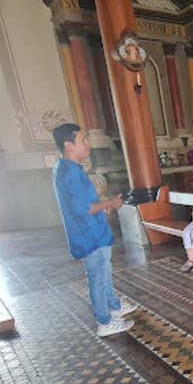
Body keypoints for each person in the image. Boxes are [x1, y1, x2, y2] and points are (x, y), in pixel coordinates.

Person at [51, 123, 137, 337]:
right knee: (97, 276)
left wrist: (101, 208)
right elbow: (83, 209)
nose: (87, 144)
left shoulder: (68, 169)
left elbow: (84, 203)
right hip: (88, 235)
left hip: (94, 230)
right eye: (83, 140)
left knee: (103, 271)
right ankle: (104, 321)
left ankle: (113, 307)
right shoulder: (69, 173)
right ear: (68, 145)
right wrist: (110, 203)